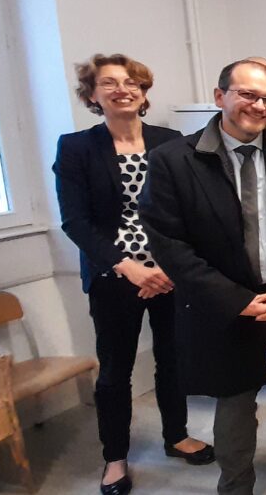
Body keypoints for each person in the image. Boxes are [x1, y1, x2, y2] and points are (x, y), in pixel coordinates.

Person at [140, 59, 266, 494]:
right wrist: (237, 300)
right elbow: (169, 243)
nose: (259, 105)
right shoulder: (174, 161)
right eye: (247, 94)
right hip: (226, 304)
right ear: (221, 97)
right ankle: (236, 481)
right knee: (234, 399)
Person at [53, 54, 211, 495]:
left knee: (173, 358)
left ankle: (175, 435)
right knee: (115, 370)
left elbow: (187, 209)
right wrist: (130, 268)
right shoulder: (76, 148)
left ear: (143, 93)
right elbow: (76, 222)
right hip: (114, 276)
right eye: (109, 83)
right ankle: (115, 458)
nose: (123, 88)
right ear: (92, 94)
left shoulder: (170, 140)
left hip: (169, 273)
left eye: (132, 82)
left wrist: (167, 265)